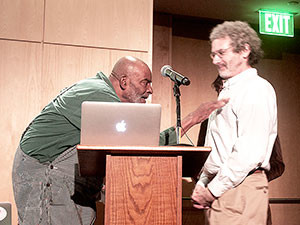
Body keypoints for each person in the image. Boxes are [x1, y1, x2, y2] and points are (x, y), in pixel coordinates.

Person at [12, 56, 228, 225]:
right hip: (45, 175)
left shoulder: (100, 93)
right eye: (146, 82)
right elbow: (143, 142)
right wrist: (191, 119)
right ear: (124, 82)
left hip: (60, 178)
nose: (150, 89)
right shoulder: (99, 95)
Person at [191, 21, 278, 225]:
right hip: (223, 188)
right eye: (213, 54)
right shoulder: (229, 90)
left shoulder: (256, 89)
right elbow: (220, 148)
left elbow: (249, 153)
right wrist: (204, 182)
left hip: (239, 189)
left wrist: (211, 190)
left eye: (221, 53)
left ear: (245, 50)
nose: (215, 60)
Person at [196, 75, 285, 225]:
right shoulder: (208, 123)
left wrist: (245, 178)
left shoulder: (258, 119)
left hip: (247, 199)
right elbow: (201, 160)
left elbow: (277, 163)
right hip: (217, 201)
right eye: (221, 91)